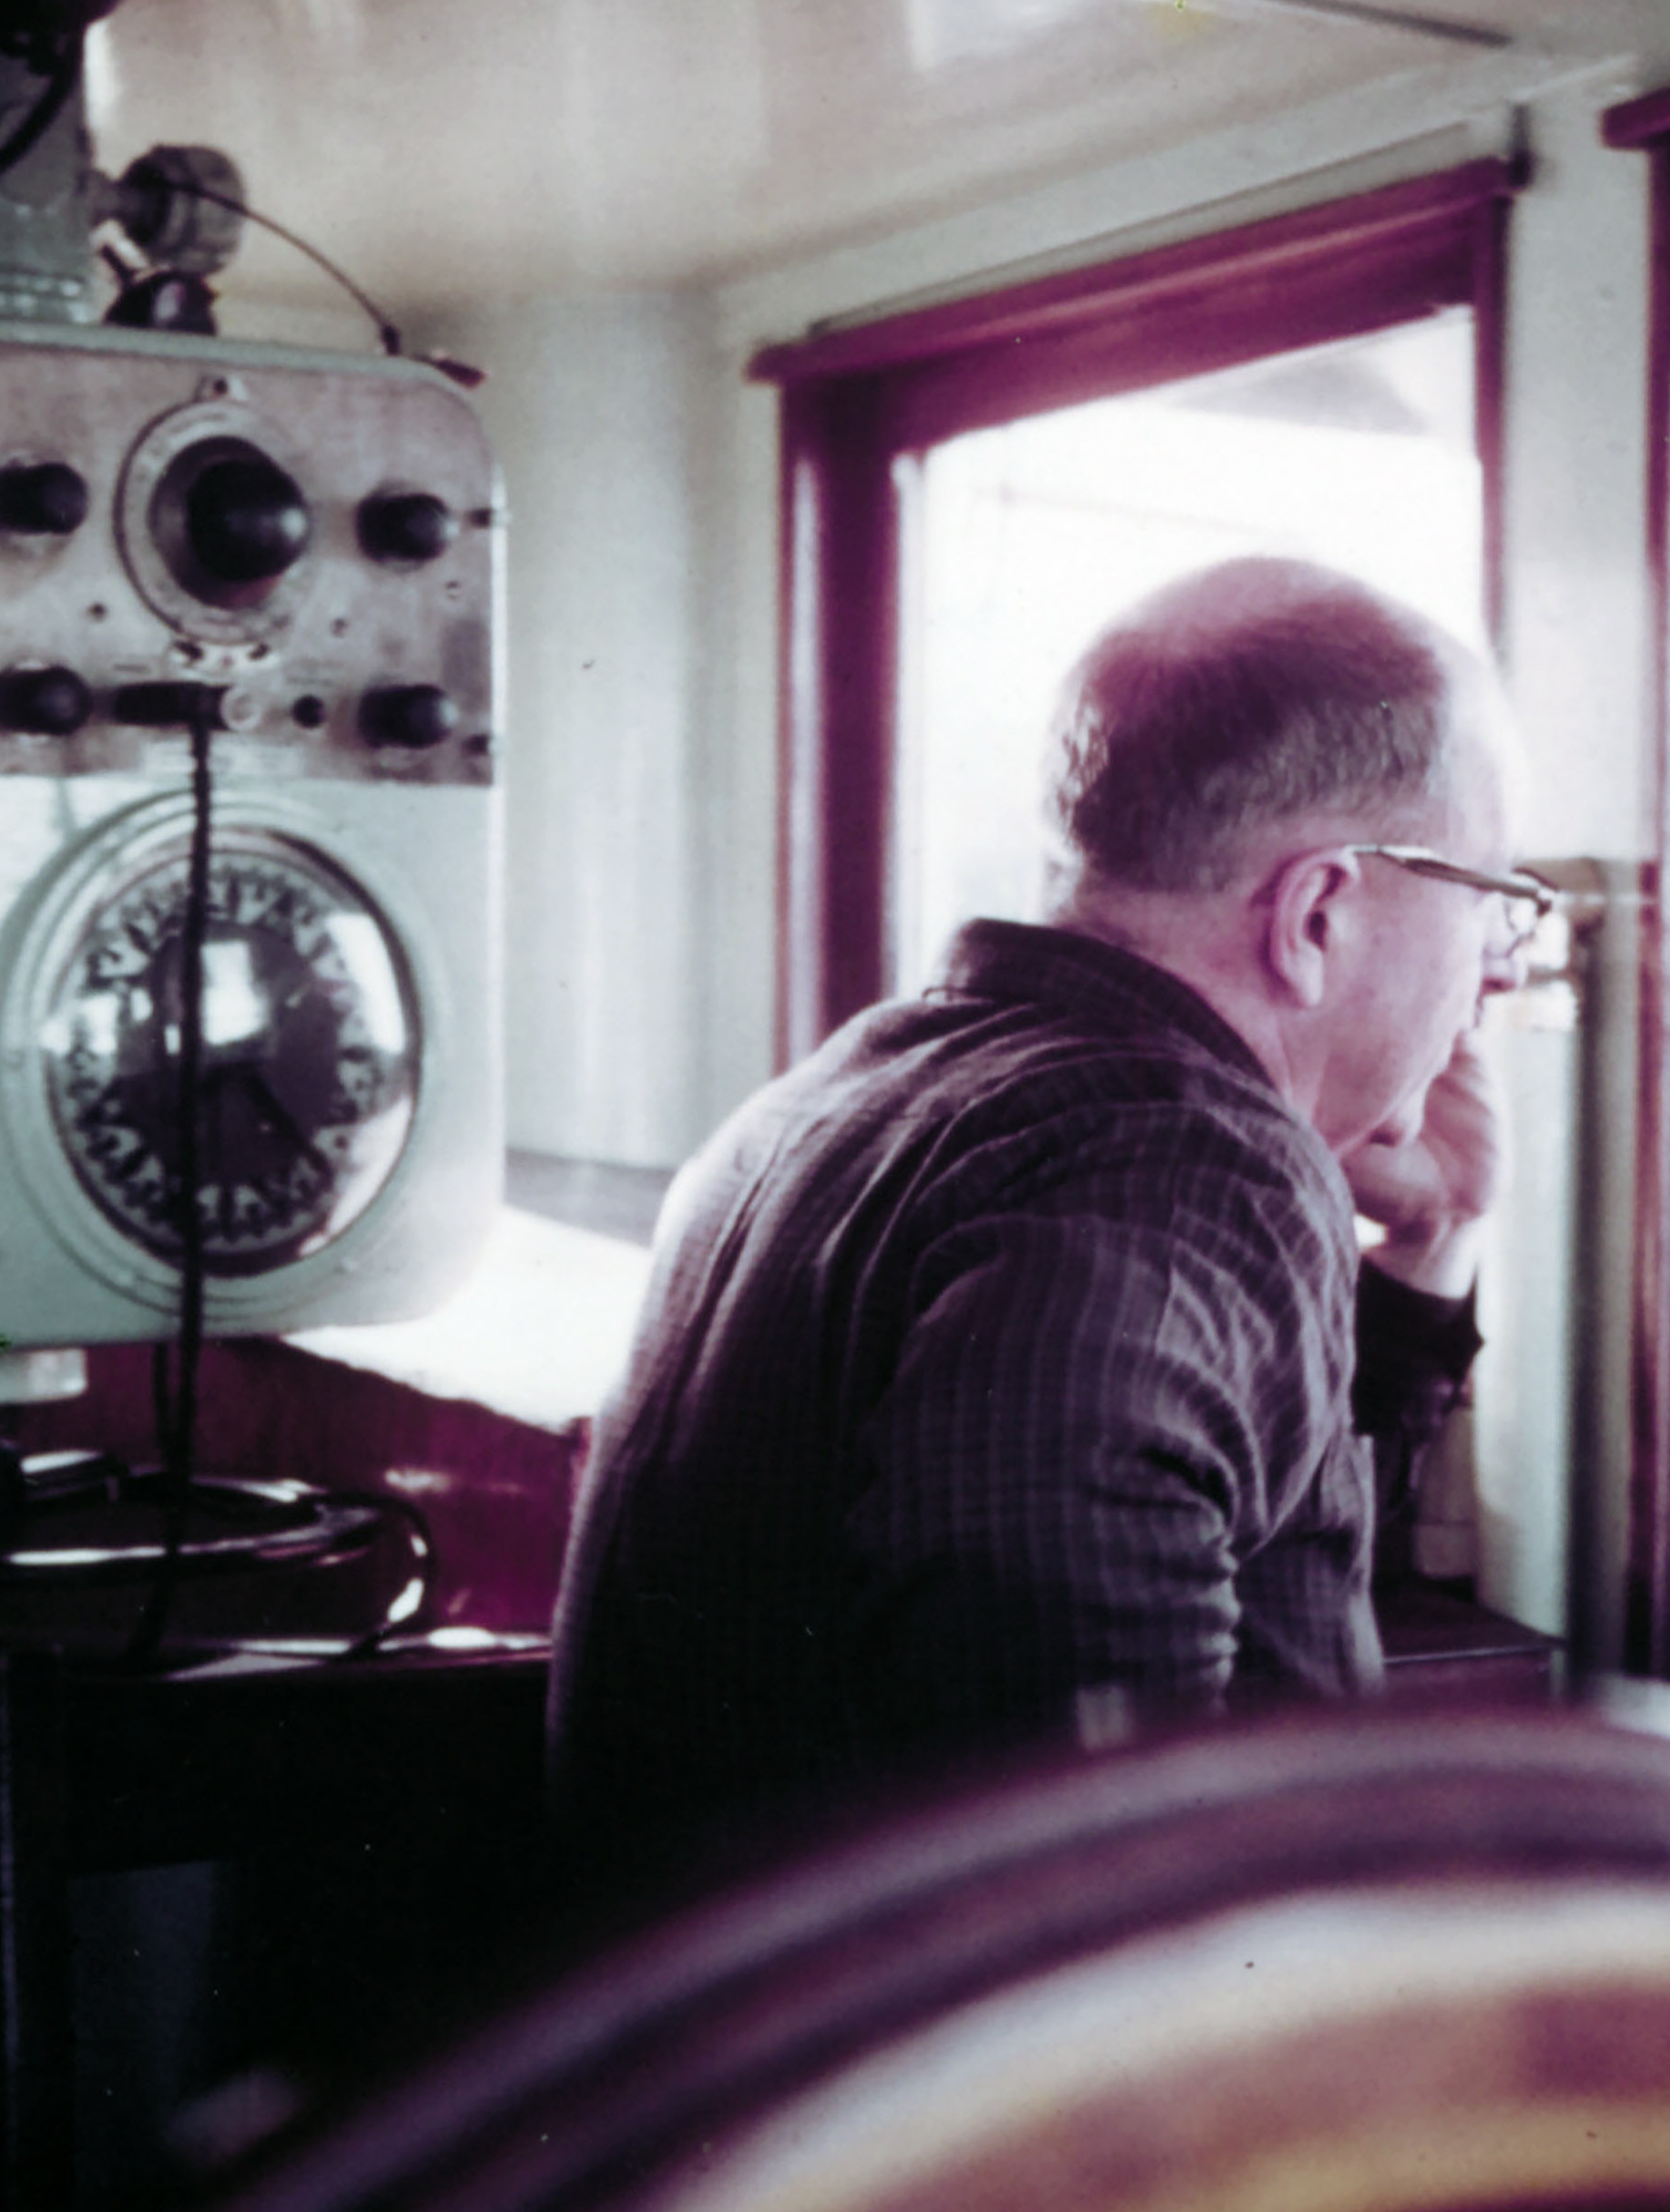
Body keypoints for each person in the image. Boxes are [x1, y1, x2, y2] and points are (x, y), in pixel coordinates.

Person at [546, 556, 1537, 1854]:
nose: (1501, 970)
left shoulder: (850, 1088)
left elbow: (1249, 1532)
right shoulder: (1183, 1166)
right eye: (1495, 900)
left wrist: (1434, 1238)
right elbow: (1093, 1836)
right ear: (1317, 914)